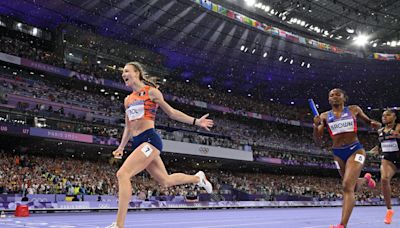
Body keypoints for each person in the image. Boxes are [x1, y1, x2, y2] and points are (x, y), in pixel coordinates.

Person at [106, 62, 213, 228]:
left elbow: (171, 113)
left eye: (126, 71)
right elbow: (128, 126)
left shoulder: (152, 92)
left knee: (123, 174)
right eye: (122, 72)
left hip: (150, 140)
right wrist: (121, 147)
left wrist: (196, 121)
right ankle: (198, 177)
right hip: (138, 143)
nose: (123, 74)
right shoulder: (127, 100)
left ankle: (119, 225)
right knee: (165, 181)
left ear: (137, 73)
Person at [312, 88, 381, 228]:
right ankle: (365, 179)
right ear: (329, 99)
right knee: (352, 187)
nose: (334, 97)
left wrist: (377, 125)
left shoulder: (354, 110)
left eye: (338, 94)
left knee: (346, 186)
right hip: (338, 153)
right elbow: (318, 141)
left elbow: (369, 123)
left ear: (344, 98)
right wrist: (315, 126)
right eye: (331, 95)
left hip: (356, 150)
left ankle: (342, 225)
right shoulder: (324, 116)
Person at [370, 109, 400, 224]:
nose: (385, 117)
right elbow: (380, 145)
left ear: (395, 117)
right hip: (389, 159)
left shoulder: (398, 127)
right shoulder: (380, 131)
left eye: (388, 115)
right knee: (384, 178)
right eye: (383, 115)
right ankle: (389, 210)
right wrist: (375, 149)